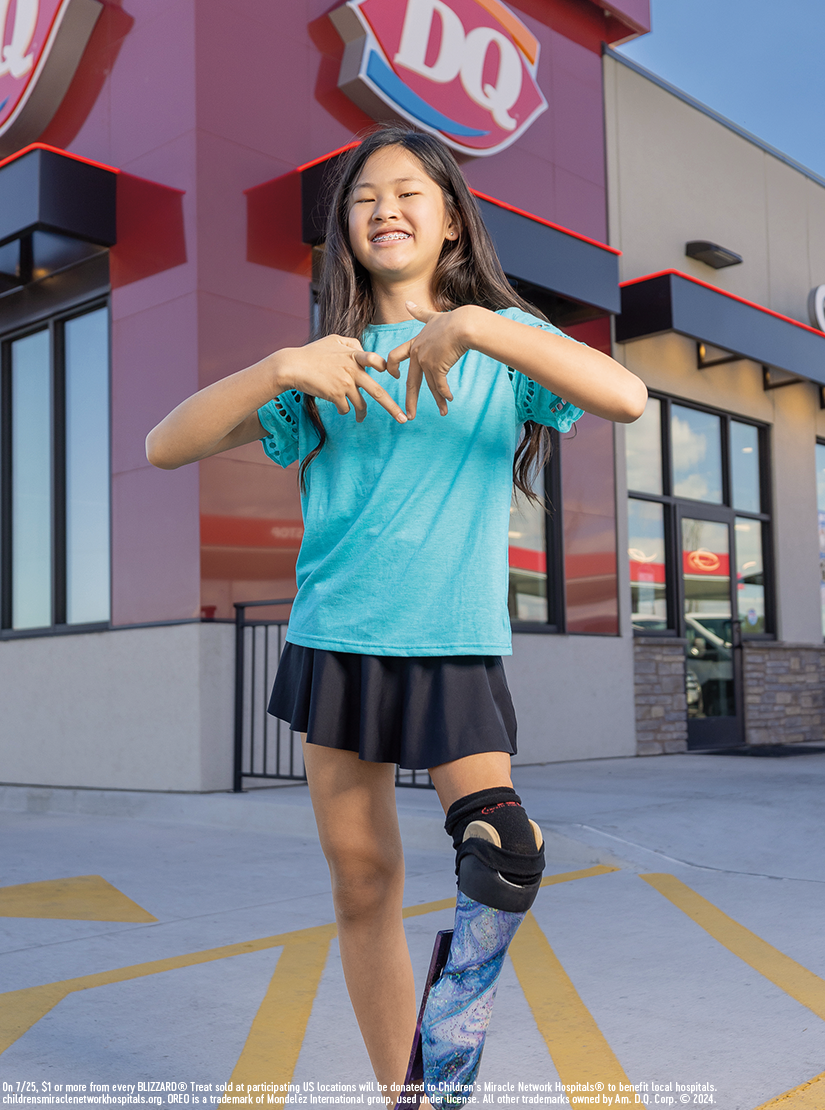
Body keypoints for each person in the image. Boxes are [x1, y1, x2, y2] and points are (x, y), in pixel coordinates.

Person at [146, 125, 647, 1108]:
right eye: (365, 196)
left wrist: (477, 326)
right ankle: (409, 1097)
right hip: (335, 641)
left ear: (452, 217)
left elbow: (624, 394)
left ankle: (447, 1065)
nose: (387, 208)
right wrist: (282, 367)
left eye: (410, 191)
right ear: (345, 231)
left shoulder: (508, 347)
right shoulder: (327, 363)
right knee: (364, 883)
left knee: (504, 853)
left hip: (453, 645)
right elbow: (167, 444)